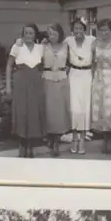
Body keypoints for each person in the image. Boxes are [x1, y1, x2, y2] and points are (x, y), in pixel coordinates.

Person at [6, 23, 46, 158]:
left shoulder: (40, 48)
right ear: (22, 34)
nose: (28, 35)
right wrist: (8, 86)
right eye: (26, 33)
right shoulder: (17, 47)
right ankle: (21, 143)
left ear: (35, 35)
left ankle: (30, 145)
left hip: (35, 82)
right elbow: (9, 66)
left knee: (33, 113)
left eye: (31, 33)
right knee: (22, 112)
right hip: (21, 82)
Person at [65, 17, 96, 155]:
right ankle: (74, 139)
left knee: (84, 108)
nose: (78, 31)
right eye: (75, 28)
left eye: (81, 28)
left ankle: (82, 139)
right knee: (74, 107)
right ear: (72, 30)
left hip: (87, 75)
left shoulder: (92, 40)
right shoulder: (68, 41)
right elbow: (54, 46)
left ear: (85, 29)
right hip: (73, 74)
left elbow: (98, 56)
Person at [91, 19, 111, 154]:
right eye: (101, 30)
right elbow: (92, 63)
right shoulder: (95, 44)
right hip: (98, 77)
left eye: (107, 30)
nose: (104, 33)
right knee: (100, 108)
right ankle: (104, 137)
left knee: (110, 108)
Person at [42, 23, 71, 157]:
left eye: (54, 33)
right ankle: (50, 137)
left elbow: (72, 62)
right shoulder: (43, 46)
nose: (51, 36)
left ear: (60, 34)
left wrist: (65, 72)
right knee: (49, 111)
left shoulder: (66, 46)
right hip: (47, 79)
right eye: (49, 33)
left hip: (61, 79)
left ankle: (56, 142)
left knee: (59, 112)